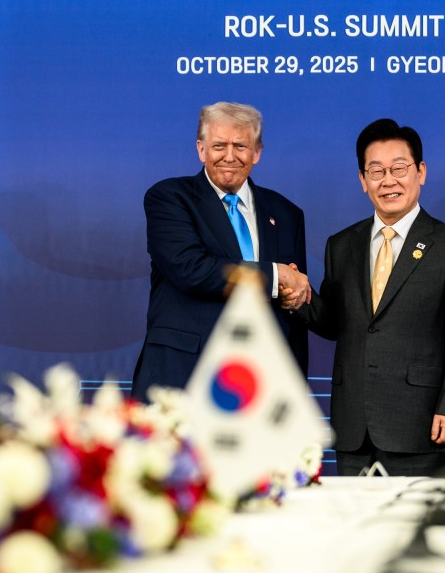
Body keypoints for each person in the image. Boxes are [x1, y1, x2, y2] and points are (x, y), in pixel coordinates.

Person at [294, 118, 445, 476]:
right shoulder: (341, 245)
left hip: (423, 425)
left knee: (420, 530)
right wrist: (299, 298)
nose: (388, 181)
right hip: (354, 428)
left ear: (421, 172)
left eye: (399, 168)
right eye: (376, 171)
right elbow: (336, 322)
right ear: (362, 180)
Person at [131, 102, 311, 401]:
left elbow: (294, 301)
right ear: (201, 149)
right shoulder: (169, 198)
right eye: (218, 145)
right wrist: (275, 274)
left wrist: (295, 298)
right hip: (183, 382)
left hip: (261, 388)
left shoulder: (287, 213)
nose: (229, 156)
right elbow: (191, 269)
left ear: (257, 152)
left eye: (240, 145)